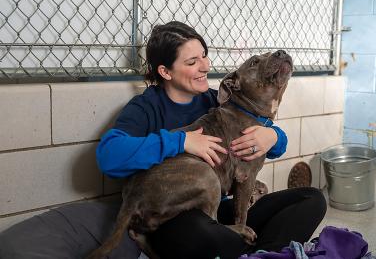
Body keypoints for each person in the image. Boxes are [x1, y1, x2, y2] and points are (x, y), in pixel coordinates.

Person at [0, 21, 326, 259]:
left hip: (221, 211)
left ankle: (257, 252)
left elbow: (262, 144)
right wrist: (179, 142)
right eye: (192, 61)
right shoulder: (146, 107)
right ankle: (255, 249)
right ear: (166, 72)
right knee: (207, 237)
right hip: (177, 219)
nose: (204, 67)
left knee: (312, 200)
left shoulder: (221, 101)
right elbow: (109, 156)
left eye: (204, 56)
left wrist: (273, 135)